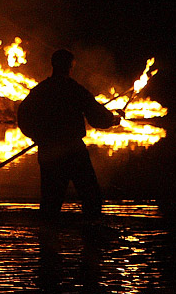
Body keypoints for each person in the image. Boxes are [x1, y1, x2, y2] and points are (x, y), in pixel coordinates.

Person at [17, 48, 120, 221]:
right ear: (71, 66)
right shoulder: (75, 90)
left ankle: (48, 239)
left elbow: (23, 116)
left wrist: (37, 136)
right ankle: (91, 236)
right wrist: (114, 119)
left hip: (48, 152)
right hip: (73, 151)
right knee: (91, 197)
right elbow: (97, 117)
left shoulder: (40, 90)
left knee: (51, 201)